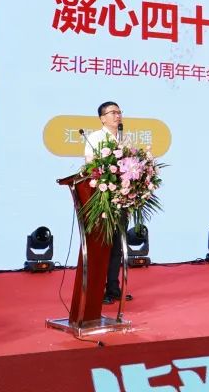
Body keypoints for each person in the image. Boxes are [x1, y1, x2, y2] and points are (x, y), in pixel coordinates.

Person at [83, 100, 132, 305]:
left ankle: (113, 288)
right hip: (103, 199)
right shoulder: (95, 138)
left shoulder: (124, 138)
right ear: (102, 118)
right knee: (103, 246)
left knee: (117, 246)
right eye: (113, 112)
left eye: (119, 112)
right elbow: (90, 165)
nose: (117, 115)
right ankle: (98, 289)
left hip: (121, 198)